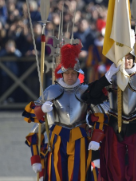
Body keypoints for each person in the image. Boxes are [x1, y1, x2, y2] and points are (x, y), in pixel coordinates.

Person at [82, 29, 136, 181]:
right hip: (114, 127)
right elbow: (90, 96)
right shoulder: (112, 78)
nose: (127, 61)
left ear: (134, 59)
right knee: (116, 170)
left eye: (130, 58)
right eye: (124, 57)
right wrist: (107, 77)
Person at [22, 43, 105, 181]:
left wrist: (96, 139)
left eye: (73, 73)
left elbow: (100, 117)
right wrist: (41, 109)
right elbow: (29, 114)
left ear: (78, 74)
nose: (70, 76)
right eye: (67, 73)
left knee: (78, 175)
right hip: (57, 137)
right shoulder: (51, 91)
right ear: (62, 73)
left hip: (80, 136)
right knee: (57, 173)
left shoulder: (85, 91)